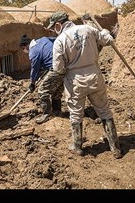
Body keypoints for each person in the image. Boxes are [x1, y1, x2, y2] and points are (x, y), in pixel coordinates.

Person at [49, 12, 122, 159]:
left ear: (58, 24)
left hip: (75, 80)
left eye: (54, 27)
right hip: (95, 74)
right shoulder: (88, 29)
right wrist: (105, 32)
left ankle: (77, 147)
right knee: (104, 111)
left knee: (76, 113)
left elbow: (58, 68)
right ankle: (115, 148)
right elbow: (107, 40)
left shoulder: (60, 40)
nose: (54, 30)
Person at [19, 34, 65, 124]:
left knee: (42, 91)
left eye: (23, 49)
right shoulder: (43, 39)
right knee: (56, 90)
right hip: (65, 65)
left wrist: (32, 83)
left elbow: (34, 69)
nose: (24, 50)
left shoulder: (33, 51)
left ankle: (47, 114)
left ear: (25, 46)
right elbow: (57, 39)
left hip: (55, 68)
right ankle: (57, 111)